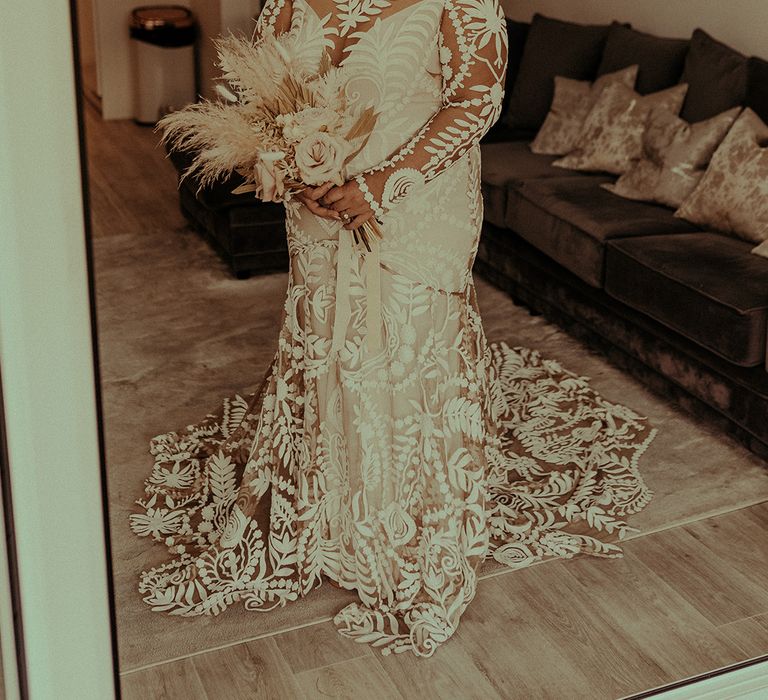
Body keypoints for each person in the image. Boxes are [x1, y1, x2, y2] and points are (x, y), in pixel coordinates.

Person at [129, 0, 657, 657]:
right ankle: (333, 511)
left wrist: (381, 185)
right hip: (319, 215)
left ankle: (402, 525)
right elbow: (261, 104)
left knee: (402, 350)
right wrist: (287, 171)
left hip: (416, 208)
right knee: (328, 345)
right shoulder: (287, 1)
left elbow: (477, 97)